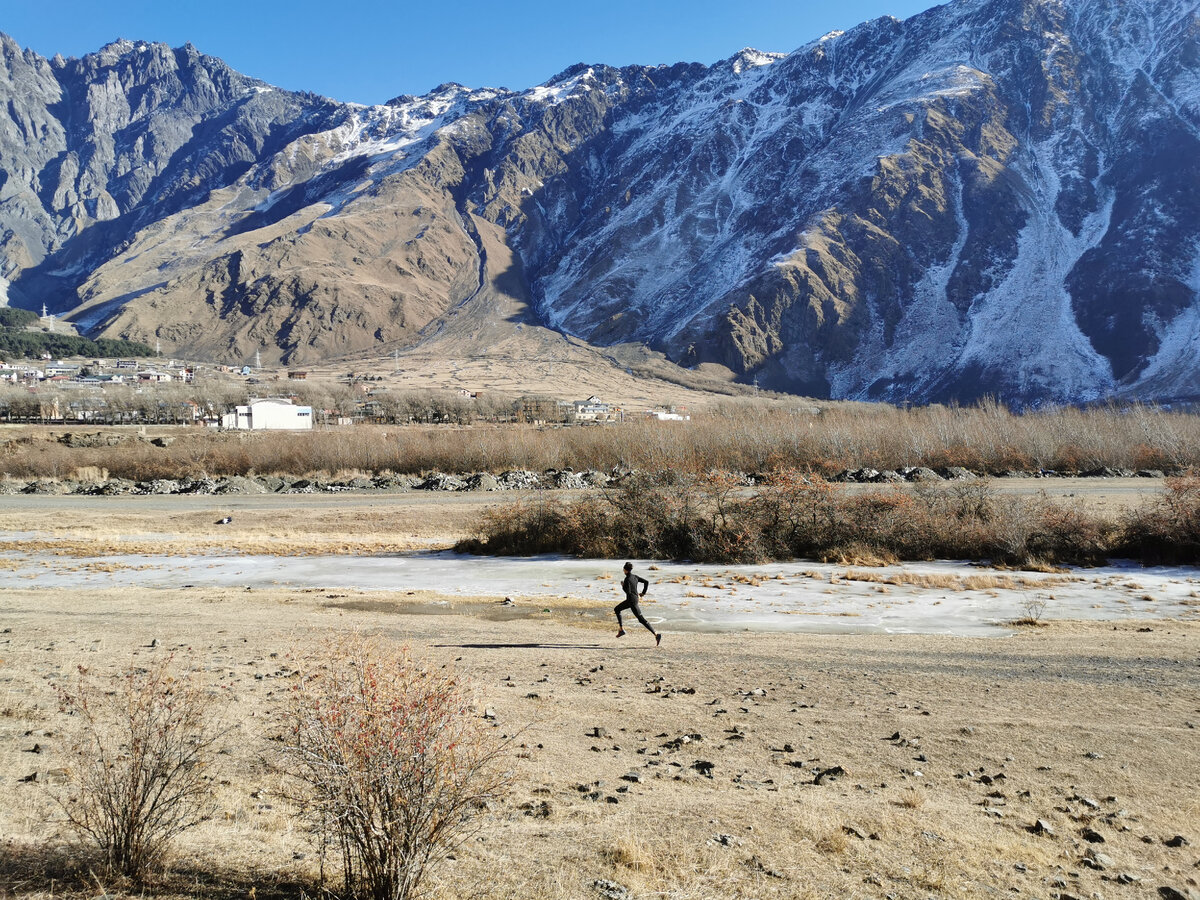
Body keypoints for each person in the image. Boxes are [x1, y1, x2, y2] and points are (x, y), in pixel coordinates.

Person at [615, 561, 661, 645]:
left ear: (625, 570)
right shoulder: (635, 577)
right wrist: (643, 593)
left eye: (623, 569)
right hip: (635, 599)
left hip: (631, 601)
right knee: (617, 609)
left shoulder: (627, 579)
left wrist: (623, 586)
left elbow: (627, 592)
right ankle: (621, 629)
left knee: (641, 619)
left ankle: (656, 634)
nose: (623, 570)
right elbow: (646, 582)